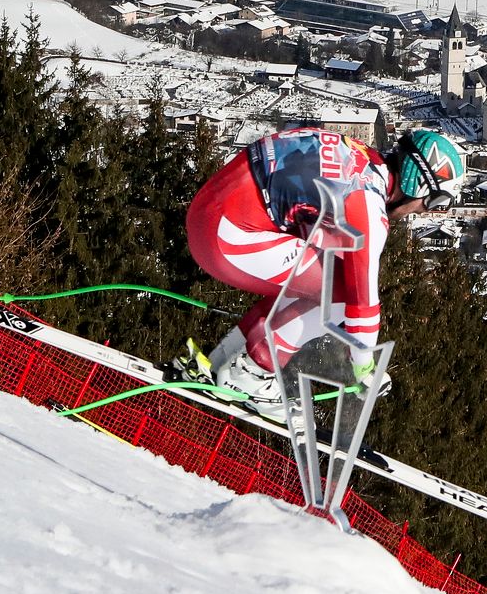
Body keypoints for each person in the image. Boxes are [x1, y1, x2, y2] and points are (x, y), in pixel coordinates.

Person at [186, 125, 466, 417]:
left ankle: (222, 362)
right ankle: (253, 372)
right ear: (418, 183)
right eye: (436, 202)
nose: (426, 212)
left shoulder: (360, 157)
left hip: (209, 212)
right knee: (341, 294)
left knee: (320, 282)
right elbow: (362, 301)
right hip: (226, 236)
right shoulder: (367, 204)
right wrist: (364, 368)